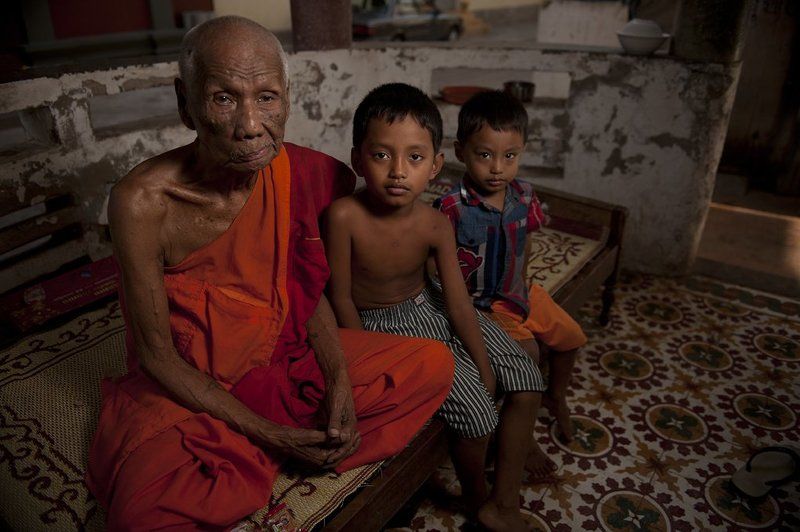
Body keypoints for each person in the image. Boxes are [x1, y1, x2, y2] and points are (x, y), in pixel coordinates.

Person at [86, 17, 454, 530]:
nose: (251, 125)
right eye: (223, 98)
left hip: (281, 359)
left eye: (266, 98)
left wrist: (338, 379)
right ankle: (268, 446)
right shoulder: (142, 203)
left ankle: (257, 452)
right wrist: (270, 433)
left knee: (431, 364)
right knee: (141, 516)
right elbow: (156, 357)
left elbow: (304, 288)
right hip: (193, 388)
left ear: (287, 97)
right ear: (185, 103)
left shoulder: (303, 173)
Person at [323, 82, 545, 532]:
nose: (398, 171)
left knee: (527, 378)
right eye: (381, 155)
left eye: (415, 157)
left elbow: (459, 303)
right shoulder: (343, 217)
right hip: (384, 325)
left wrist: (483, 363)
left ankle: (505, 500)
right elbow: (340, 297)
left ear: (436, 165)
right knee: (478, 415)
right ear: (357, 159)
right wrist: (368, 360)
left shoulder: (435, 223)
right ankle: (477, 499)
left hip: (435, 303)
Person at [434, 90, 587, 469]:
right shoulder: (451, 208)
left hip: (518, 293)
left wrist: (524, 283)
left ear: (522, 152)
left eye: (510, 156)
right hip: (482, 305)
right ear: (460, 151)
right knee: (528, 354)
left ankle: (556, 396)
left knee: (572, 338)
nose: (498, 168)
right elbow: (436, 267)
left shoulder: (525, 195)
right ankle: (517, 433)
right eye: (485, 155)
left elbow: (527, 241)